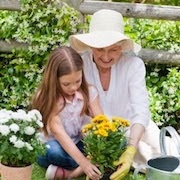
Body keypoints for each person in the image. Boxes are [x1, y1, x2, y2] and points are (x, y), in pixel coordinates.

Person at [69, 9, 179, 180]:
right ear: (91, 47)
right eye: (99, 49)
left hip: (136, 125)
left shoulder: (134, 65)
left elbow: (141, 110)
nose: (105, 57)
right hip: (101, 133)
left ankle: (143, 157)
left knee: (167, 147)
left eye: (113, 50)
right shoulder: (81, 65)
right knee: (141, 152)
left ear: (121, 47)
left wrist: (132, 148)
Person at [31, 46, 103, 180]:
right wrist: (84, 162)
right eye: (66, 84)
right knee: (55, 153)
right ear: (54, 80)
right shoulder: (48, 97)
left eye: (78, 81)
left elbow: (101, 121)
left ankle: (71, 173)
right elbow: (59, 133)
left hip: (76, 142)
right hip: (53, 143)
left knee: (115, 143)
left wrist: (95, 141)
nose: (74, 87)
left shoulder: (89, 91)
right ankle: (88, 164)